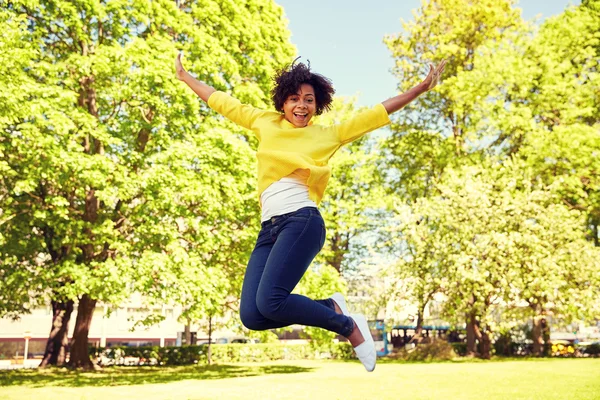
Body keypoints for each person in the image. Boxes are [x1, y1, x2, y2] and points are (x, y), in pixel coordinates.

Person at [176, 53, 446, 371]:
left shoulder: (326, 135)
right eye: (294, 99)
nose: (301, 106)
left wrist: (420, 88)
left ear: (317, 106)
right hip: (269, 230)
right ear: (283, 103)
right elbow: (223, 101)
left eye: (308, 100)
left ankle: (348, 328)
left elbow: (376, 114)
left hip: (302, 221)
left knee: (271, 300)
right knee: (253, 315)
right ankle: (332, 307)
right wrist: (185, 77)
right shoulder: (264, 122)